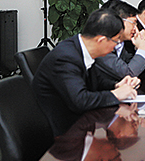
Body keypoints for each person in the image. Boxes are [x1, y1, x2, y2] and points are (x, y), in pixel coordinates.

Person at [32, 9, 139, 137]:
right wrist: (115, 95)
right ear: (101, 40)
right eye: (116, 41)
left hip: (81, 125)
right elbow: (80, 101)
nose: (115, 47)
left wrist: (116, 85)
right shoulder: (66, 58)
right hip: (64, 134)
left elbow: (95, 80)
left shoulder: (80, 48)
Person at [93, 0, 145, 89]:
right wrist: (142, 49)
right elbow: (128, 73)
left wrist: (138, 50)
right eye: (133, 23)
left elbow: (129, 66)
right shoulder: (101, 45)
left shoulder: (120, 44)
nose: (136, 29)